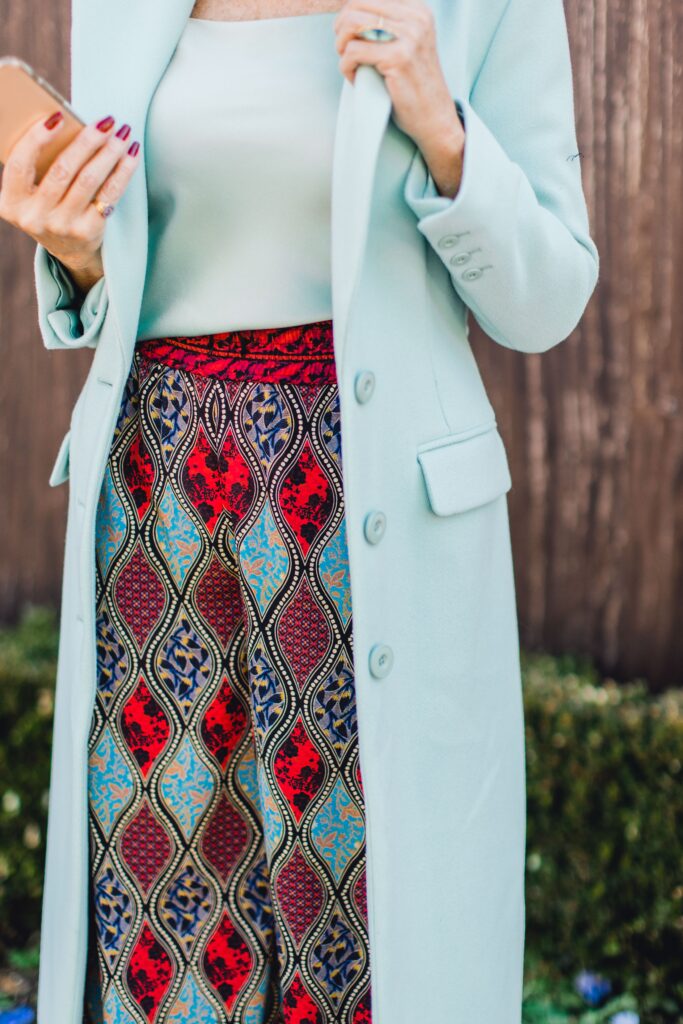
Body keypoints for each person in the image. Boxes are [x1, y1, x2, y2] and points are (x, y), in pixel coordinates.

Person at [0, 0, 600, 1022]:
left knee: (359, 928)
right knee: (170, 928)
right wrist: (76, 251)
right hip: (160, 505)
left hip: (362, 504)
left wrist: (443, 131)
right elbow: (128, 271)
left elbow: (545, 297)